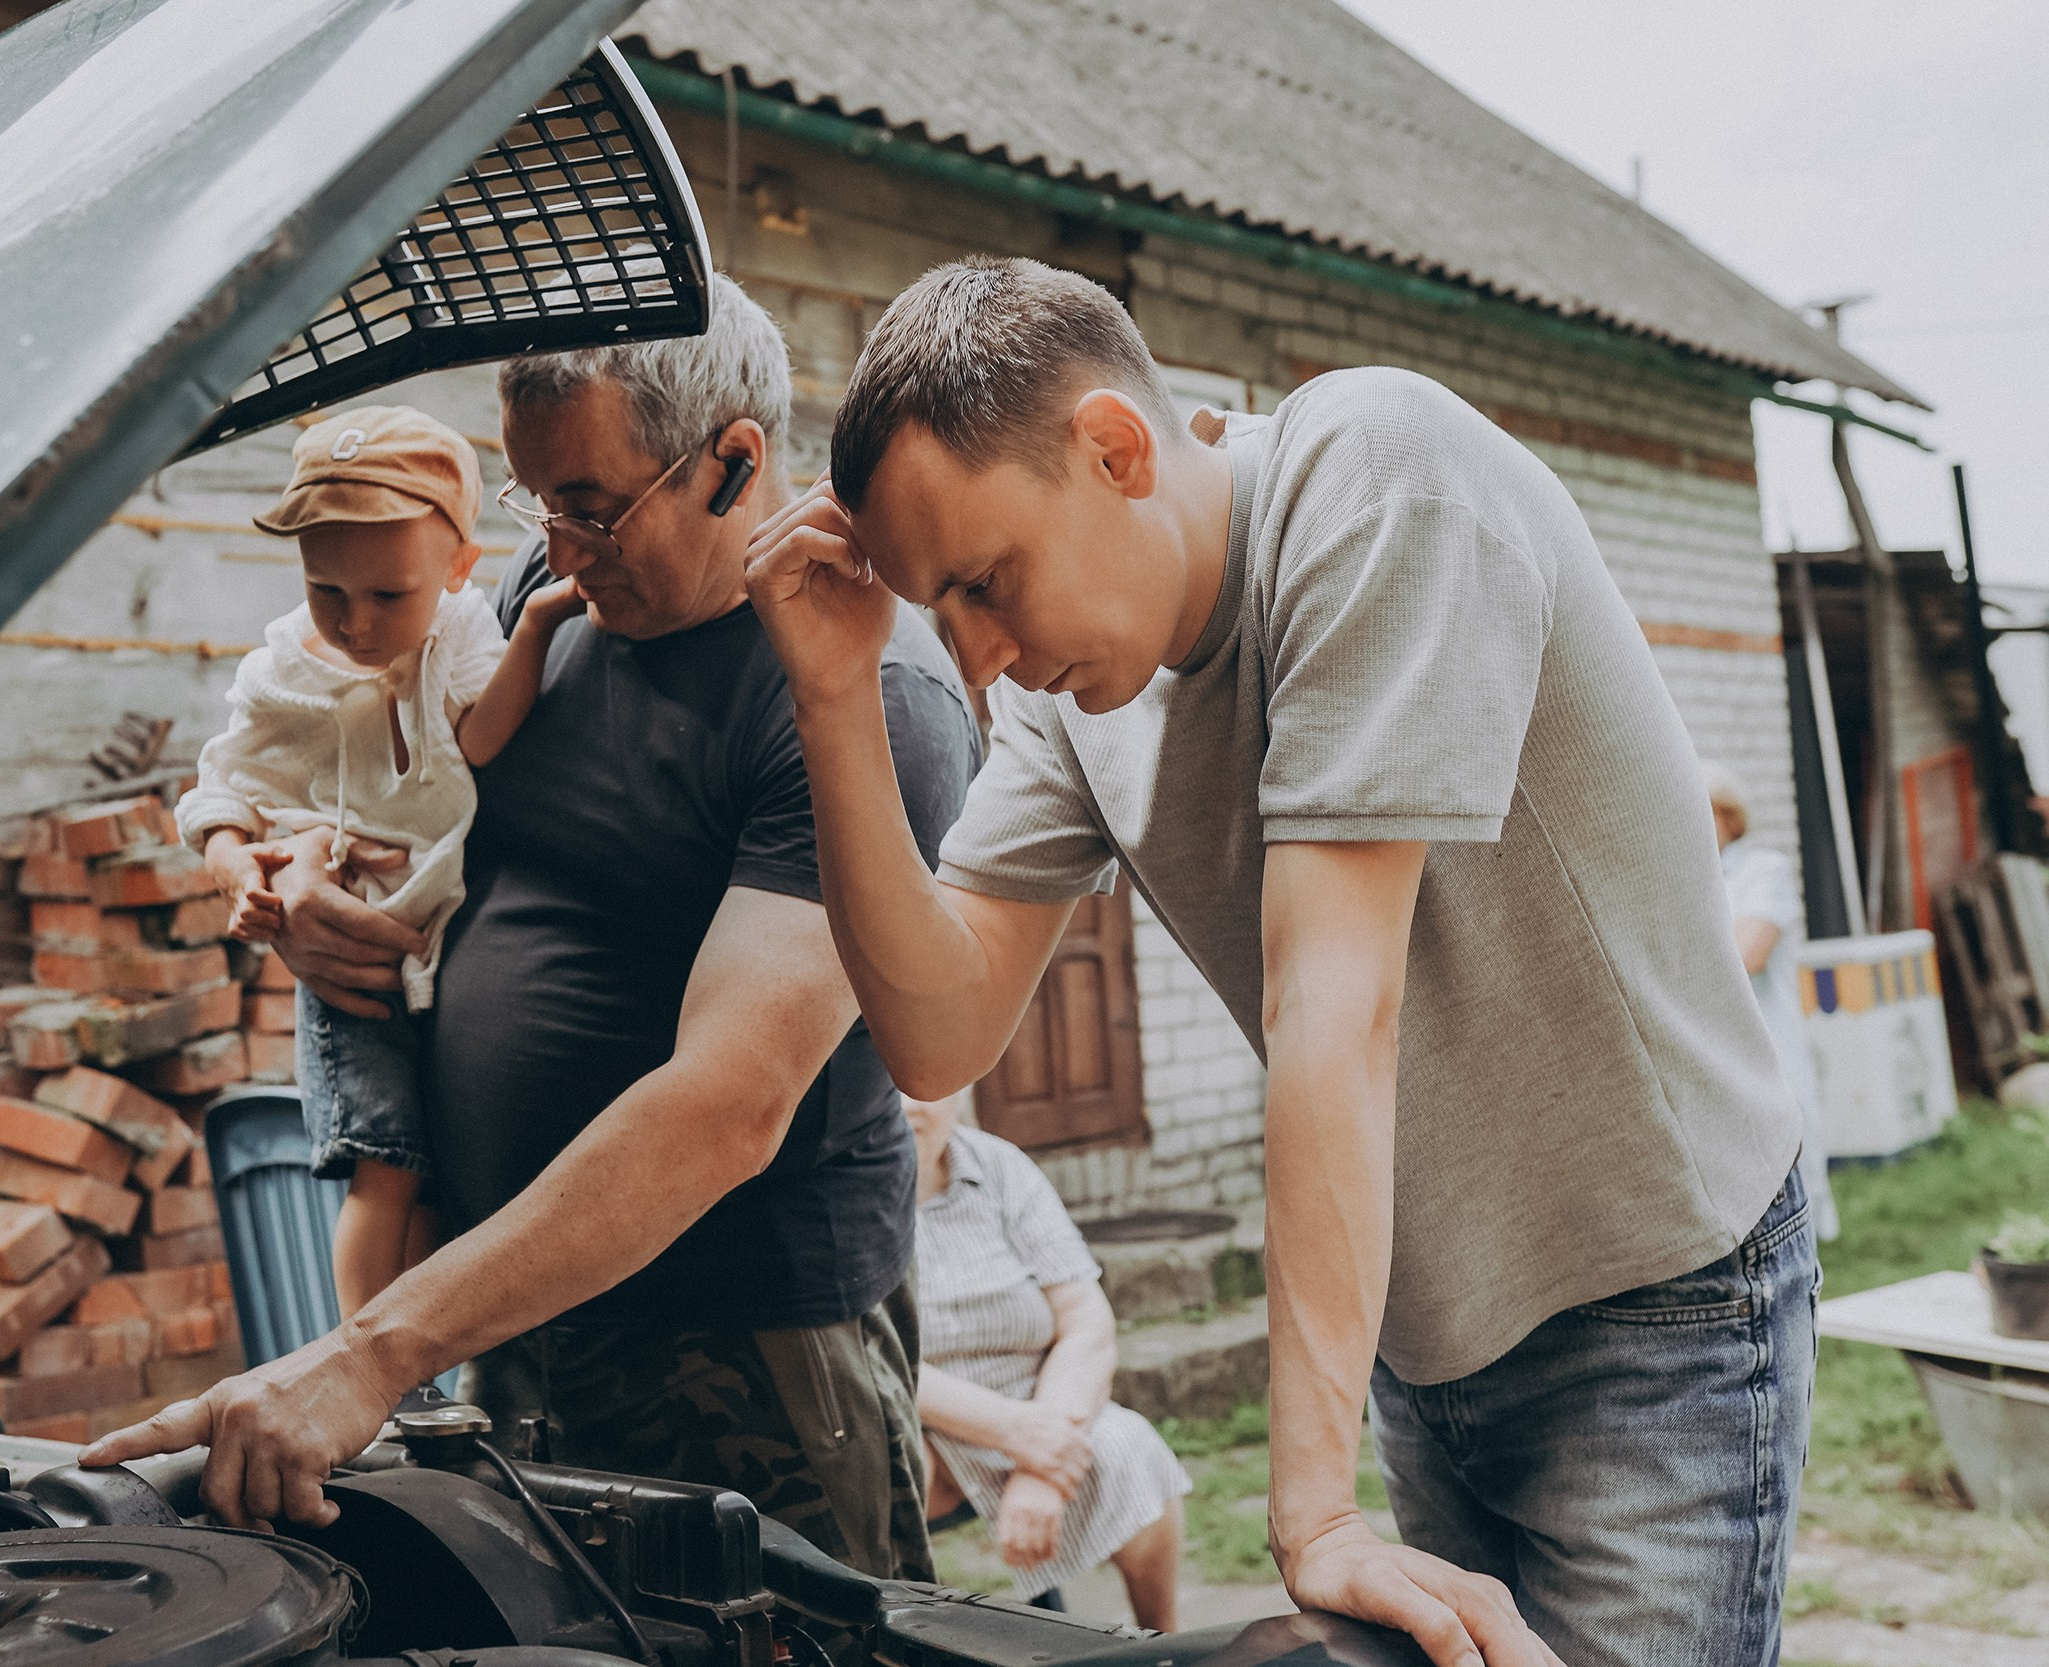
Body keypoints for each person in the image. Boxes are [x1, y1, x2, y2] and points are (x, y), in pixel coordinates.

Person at [743, 256, 1813, 1667]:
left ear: (1115, 448)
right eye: (947, 609)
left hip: (1652, 1297)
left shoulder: (1379, 479)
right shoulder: (1077, 693)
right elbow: (938, 1031)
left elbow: (1334, 1003)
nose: (984, 656)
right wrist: (828, 695)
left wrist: (1311, 1512)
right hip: (1425, 1334)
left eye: (988, 581)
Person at [89, 278, 983, 1581]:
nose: (556, 547)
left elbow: (731, 1100)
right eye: (536, 500)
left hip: (741, 1339)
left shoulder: (862, 698)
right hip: (523, 1307)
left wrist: (373, 1349)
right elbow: (418, 791)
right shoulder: (551, 585)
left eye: (591, 503)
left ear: (734, 462)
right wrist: (310, 895)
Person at [176, 407, 582, 1311]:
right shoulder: (289, 667)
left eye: (389, 597)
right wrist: (242, 866)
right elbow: (224, 784)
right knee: (385, 1169)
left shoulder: (468, 636)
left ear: (458, 569)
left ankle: (417, 1374)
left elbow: (479, 739)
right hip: (350, 976)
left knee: (432, 1181)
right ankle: (356, 1353)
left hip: (431, 947)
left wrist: (543, 624)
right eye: (329, 591)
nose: (355, 624)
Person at [906, 1090, 1189, 1630]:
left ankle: (1162, 1644)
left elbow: (1086, 1321)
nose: (903, 1107)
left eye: (922, 1087)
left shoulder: (1001, 1167)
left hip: (1038, 1396)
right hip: (916, 1418)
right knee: (885, 1475)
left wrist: (1044, 1466)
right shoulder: (838, 1192)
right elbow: (875, 1358)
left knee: (1130, 1448)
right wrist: (1020, 1437)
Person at [1706, 764, 1839, 1239]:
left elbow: (1748, 956)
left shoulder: (1764, 870)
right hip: (1716, 1040)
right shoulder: (1690, 876)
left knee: (1787, 1141)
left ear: (1728, 816)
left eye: (1706, 811)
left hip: (1768, 1033)